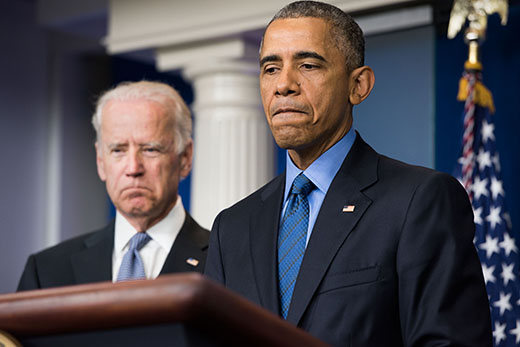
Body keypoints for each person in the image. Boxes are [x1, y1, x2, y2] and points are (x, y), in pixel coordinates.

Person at [204, 1, 492, 346]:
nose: (284, 85)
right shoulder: (232, 227)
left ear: (359, 85)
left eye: (308, 65)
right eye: (270, 69)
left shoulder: (420, 201)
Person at [18, 81, 209, 290]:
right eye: (118, 150)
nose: (133, 168)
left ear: (185, 158)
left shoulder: (225, 260)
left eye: (150, 149)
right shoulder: (47, 270)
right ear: (100, 160)